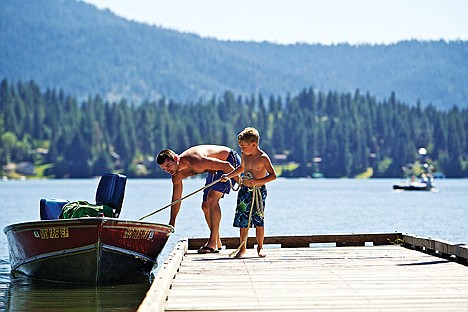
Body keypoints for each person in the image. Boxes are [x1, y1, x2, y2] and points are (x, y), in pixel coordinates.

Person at [156, 145, 240, 253]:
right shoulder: (176, 175)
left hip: (229, 160)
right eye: (164, 169)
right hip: (215, 168)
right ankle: (217, 241)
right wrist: (172, 221)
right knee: (205, 206)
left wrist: (242, 183)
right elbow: (176, 198)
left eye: (168, 165)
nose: (168, 170)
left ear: (176, 158)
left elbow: (226, 165)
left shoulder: (195, 161)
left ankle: (212, 242)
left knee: (212, 198)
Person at [221, 127, 277, 258]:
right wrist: (228, 176)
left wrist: (258, 182)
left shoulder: (263, 158)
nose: (242, 149)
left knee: (259, 219)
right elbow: (241, 168)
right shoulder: (245, 155)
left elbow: (273, 175)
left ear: (254, 144)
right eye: (240, 146)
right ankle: (243, 248)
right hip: (244, 190)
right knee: (242, 220)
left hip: (258, 191)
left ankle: (260, 247)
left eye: (244, 146)